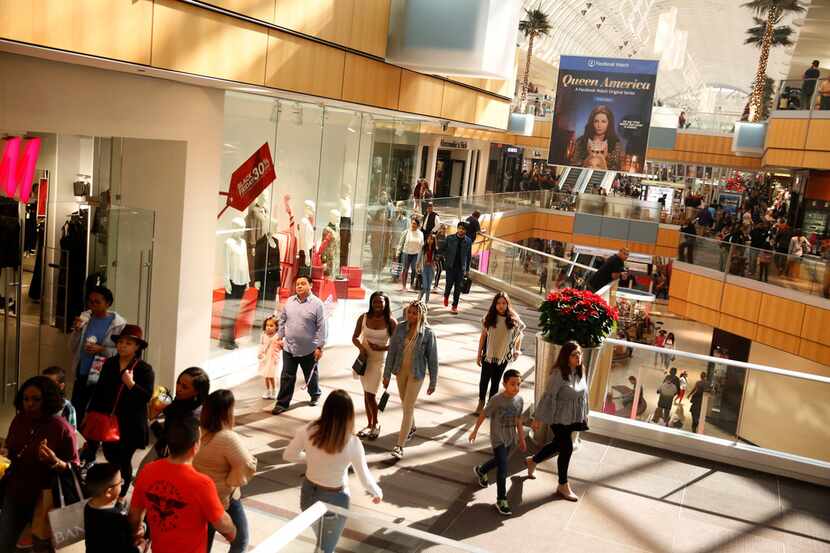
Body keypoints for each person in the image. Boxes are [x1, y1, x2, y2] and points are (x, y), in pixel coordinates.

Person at [284, 390, 382, 553]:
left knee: (322, 545)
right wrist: (376, 492)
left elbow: (289, 455)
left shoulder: (309, 430)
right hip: (335, 501)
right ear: (349, 415)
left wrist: (311, 458)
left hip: (308, 495)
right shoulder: (352, 443)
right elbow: (363, 476)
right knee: (326, 548)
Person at [129, 417, 237, 553]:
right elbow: (222, 522)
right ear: (195, 446)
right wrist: (232, 532)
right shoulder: (202, 483)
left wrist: (137, 534)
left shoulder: (148, 471)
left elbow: (134, 515)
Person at [0, 376, 79, 552]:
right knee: (5, 541)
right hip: (15, 490)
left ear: (48, 399)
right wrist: (6, 452)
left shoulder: (61, 427)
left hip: (45, 496)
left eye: (36, 399)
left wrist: (55, 461)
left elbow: (74, 466)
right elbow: (12, 448)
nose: (29, 404)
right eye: (26, 399)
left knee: (41, 546)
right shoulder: (19, 419)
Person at [84, 325, 154, 497]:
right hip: (108, 420)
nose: (122, 346)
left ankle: (122, 494)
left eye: (128, 343)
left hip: (130, 423)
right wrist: (90, 412)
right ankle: (113, 487)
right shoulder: (109, 363)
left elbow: (146, 397)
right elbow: (99, 390)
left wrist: (131, 384)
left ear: (137, 347)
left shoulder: (144, 369)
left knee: (123, 460)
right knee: (110, 455)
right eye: (121, 342)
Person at [193, 390, 257, 553]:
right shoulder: (227, 438)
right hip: (224, 499)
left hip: (199, 499)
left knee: (202, 543)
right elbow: (247, 465)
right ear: (228, 412)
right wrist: (231, 481)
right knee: (240, 539)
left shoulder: (198, 431)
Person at [526, 341, 588, 501]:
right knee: (566, 448)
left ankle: (533, 460)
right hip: (558, 417)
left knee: (557, 444)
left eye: (579, 354)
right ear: (566, 357)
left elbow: (583, 395)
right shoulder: (558, 373)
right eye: (574, 355)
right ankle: (562, 485)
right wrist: (538, 418)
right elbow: (548, 396)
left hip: (572, 417)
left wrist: (584, 415)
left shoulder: (580, 371)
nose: (578, 357)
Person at [383, 300, 438, 459]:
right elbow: (392, 352)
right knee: (404, 402)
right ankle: (412, 427)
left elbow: (433, 359)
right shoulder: (400, 328)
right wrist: (387, 375)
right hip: (400, 372)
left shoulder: (428, 333)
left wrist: (433, 381)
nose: (412, 315)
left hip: (416, 374)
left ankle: (399, 446)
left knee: (408, 406)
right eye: (410, 312)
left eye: (415, 313)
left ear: (422, 314)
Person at [469, 369, 526, 516]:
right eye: (512, 384)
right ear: (504, 384)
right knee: (503, 469)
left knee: (499, 461)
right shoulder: (496, 400)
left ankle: (481, 470)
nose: (516, 387)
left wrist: (521, 439)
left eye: (518, 384)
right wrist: (475, 430)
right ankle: (501, 499)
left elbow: (518, 420)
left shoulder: (519, 401)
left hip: (509, 438)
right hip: (498, 438)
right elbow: (483, 413)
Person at [69, 285, 126, 423]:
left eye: (97, 302)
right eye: (90, 301)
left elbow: (122, 352)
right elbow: (72, 347)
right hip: (83, 370)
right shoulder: (85, 319)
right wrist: (76, 331)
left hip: (102, 373)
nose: (93, 305)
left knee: (97, 412)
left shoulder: (118, 324)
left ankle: (91, 442)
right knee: (77, 409)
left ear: (108, 303)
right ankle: (76, 439)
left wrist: (101, 349)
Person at [271, 275, 326, 415]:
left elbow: (322, 327)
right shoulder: (289, 302)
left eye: (303, 283)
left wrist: (320, 347)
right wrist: (280, 337)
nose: (299, 286)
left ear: (311, 285)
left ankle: (315, 393)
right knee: (287, 376)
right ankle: (282, 403)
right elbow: (282, 320)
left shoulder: (317, 304)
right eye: (297, 284)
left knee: (311, 375)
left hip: (309, 349)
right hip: (289, 347)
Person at [351, 292, 397, 441]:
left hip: (378, 362)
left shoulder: (391, 322)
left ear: (385, 303)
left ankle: (376, 424)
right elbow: (354, 337)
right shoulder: (363, 317)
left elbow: (397, 346)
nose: (377, 305)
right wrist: (361, 348)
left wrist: (381, 348)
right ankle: (369, 424)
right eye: (375, 302)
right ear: (371, 303)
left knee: (371, 395)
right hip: (364, 361)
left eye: (380, 302)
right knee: (366, 393)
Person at [475, 292, 525, 414]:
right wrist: (479, 354)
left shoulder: (513, 320)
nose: (501, 306)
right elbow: (483, 337)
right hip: (488, 356)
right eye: (498, 303)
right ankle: (481, 402)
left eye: (504, 303)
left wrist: (517, 350)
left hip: (503, 357)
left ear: (507, 304)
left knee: (495, 382)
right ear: (494, 304)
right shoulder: (489, 318)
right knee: (484, 380)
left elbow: (519, 335)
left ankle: (490, 405)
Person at [149, 366, 210, 461]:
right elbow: (170, 409)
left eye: (184, 387)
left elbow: (170, 438)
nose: (178, 388)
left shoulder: (191, 417)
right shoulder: (182, 400)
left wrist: (153, 419)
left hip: (174, 456)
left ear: (196, 392)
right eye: (178, 383)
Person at [84, 463, 140, 553]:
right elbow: (126, 548)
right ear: (109, 492)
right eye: (120, 482)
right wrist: (140, 548)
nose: (122, 483)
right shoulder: (117, 518)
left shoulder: (88, 506)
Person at [571, 105, 624, 170]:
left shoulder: (616, 143)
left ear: (609, 123)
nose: (599, 125)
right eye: (596, 121)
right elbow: (574, 165)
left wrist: (604, 158)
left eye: (603, 121)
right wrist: (589, 157)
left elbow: (616, 169)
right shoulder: (581, 141)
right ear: (592, 122)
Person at [443, 222, 472, 314]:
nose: (461, 230)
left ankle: (454, 306)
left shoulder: (468, 241)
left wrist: (467, 270)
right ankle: (446, 296)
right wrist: (445, 260)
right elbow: (443, 249)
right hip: (450, 267)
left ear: (466, 231)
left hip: (460, 268)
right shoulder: (450, 238)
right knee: (449, 285)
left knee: (458, 288)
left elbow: (469, 256)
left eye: (463, 229)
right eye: (459, 228)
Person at [258, 315, 282, 400]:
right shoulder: (263, 335)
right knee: (266, 376)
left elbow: (281, 346)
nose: (268, 327)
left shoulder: (277, 337)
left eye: (271, 326)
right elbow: (261, 345)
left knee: (272, 376)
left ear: (276, 327)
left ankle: (274, 390)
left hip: (273, 359)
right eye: (267, 325)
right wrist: (260, 353)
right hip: (265, 358)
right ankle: (268, 390)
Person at [399, 218, 424, 292]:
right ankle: (404, 286)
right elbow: (401, 242)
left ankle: (412, 284)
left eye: (415, 224)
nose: (413, 225)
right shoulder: (406, 232)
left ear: (418, 225)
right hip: (406, 252)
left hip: (416, 254)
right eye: (412, 223)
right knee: (405, 269)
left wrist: (421, 255)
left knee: (414, 269)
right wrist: (398, 252)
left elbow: (422, 244)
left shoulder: (420, 233)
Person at [417, 233, 438, 304]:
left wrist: (434, 262)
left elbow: (436, 259)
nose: (430, 240)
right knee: (425, 286)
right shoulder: (423, 248)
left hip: (431, 269)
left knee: (428, 287)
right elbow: (419, 258)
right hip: (424, 268)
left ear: (434, 241)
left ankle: (426, 303)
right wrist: (417, 267)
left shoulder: (435, 249)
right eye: (429, 238)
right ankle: (419, 299)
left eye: (432, 239)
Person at [433, 223, 448, 290]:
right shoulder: (436, 237)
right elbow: (435, 247)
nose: (444, 230)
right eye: (443, 228)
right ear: (440, 229)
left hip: (443, 256)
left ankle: (436, 284)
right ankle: (435, 285)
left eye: (445, 229)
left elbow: (447, 248)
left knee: (440, 270)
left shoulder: (446, 237)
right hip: (437, 256)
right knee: (439, 269)